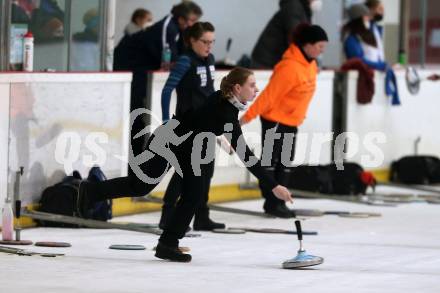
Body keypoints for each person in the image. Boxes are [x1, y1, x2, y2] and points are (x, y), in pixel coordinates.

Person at [76, 67, 293, 262]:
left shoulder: (224, 101)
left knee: (194, 193)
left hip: (185, 147)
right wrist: (274, 185)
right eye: (252, 85)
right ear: (238, 88)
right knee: (141, 186)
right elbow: (245, 154)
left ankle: (168, 244)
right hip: (168, 141)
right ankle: (90, 192)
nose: (257, 89)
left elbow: (203, 121)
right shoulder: (226, 111)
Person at [240, 24, 328, 218]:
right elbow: (269, 96)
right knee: (273, 162)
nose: (323, 51)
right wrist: (247, 117)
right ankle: (272, 202)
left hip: (291, 120)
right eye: (320, 46)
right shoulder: (290, 67)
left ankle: (279, 202)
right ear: (307, 45)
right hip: (275, 120)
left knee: (285, 162)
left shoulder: (310, 64)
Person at [113, 1, 203, 172]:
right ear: (181, 18)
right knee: (137, 117)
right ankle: (134, 165)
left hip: (140, 72)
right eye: (191, 20)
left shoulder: (179, 31)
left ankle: (138, 163)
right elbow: (167, 61)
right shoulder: (167, 27)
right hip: (129, 69)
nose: (193, 25)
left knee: (140, 118)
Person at [159, 22, 224, 231]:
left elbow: (210, 92)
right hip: (186, 126)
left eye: (212, 42)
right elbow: (167, 91)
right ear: (192, 41)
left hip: (206, 125)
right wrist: (166, 121)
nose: (209, 46)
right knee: (183, 173)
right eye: (204, 42)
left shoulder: (211, 60)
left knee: (206, 171)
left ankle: (201, 216)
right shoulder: (185, 62)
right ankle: (167, 216)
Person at [343, 3, 400, 105]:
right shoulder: (352, 39)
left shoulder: (367, 35)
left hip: (369, 78)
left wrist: (383, 65)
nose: (368, 19)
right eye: (366, 16)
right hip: (357, 82)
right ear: (358, 19)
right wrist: (382, 65)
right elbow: (359, 61)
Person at [250, 0, 322, 69]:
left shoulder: (303, 8)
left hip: (271, 62)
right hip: (266, 63)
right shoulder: (294, 6)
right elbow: (296, 37)